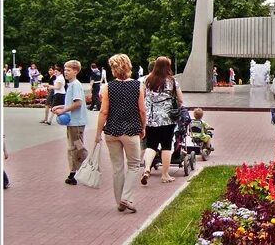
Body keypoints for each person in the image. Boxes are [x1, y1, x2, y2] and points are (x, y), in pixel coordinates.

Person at [95, 54, 146, 213]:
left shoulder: (107, 87)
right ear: (129, 66)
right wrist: (143, 127)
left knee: (117, 168)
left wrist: (97, 134)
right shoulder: (138, 86)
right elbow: (142, 110)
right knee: (134, 165)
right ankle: (126, 196)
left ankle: (119, 202)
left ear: (113, 69)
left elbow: (103, 112)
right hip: (131, 131)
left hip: (111, 131)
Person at [140, 56, 183, 185]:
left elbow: (140, 99)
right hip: (167, 119)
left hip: (150, 119)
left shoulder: (145, 80)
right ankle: (165, 175)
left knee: (151, 145)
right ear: (167, 67)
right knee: (166, 146)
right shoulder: (172, 81)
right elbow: (180, 100)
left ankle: (147, 169)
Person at [52, 60, 88, 185]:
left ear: (76, 71)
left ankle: (86, 166)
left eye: (69, 70)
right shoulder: (72, 84)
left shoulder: (75, 85)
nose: (66, 72)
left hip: (76, 123)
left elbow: (78, 103)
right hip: (73, 122)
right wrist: (59, 107)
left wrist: (63, 111)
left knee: (77, 147)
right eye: (65, 70)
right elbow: (71, 103)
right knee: (74, 147)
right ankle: (73, 173)